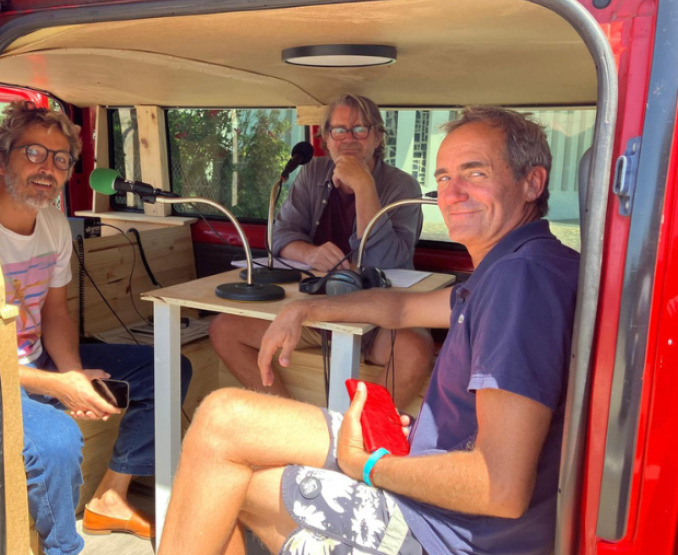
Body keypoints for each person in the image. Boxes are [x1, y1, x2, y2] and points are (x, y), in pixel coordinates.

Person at [159, 107, 579, 555]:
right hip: (424, 461)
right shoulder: (518, 265)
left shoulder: (521, 281)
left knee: (229, 475)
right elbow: (401, 306)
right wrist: (307, 307)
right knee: (222, 418)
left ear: (532, 183)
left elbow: (500, 488)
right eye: (443, 177)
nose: (453, 193)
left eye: (475, 173)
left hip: (446, 533)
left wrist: (369, 465)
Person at [0, 101, 192, 555]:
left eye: (61, 159)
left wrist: (72, 373)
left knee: (168, 368)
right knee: (59, 443)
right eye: (34, 153)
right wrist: (59, 387)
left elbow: (56, 312)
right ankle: (63, 548)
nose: (49, 168)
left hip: (39, 361)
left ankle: (111, 496)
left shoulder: (53, 225)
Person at [209, 94, 432, 410]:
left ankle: (360, 436)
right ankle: (294, 427)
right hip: (313, 308)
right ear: (326, 138)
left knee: (415, 348)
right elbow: (280, 234)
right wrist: (309, 254)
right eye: (339, 130)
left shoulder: (402, 186)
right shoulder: (312, 172)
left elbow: (388, 261)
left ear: (378, 137)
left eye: (360, 129)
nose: (348, 139)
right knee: (225, 329)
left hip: (377, 315)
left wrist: (364, 186)